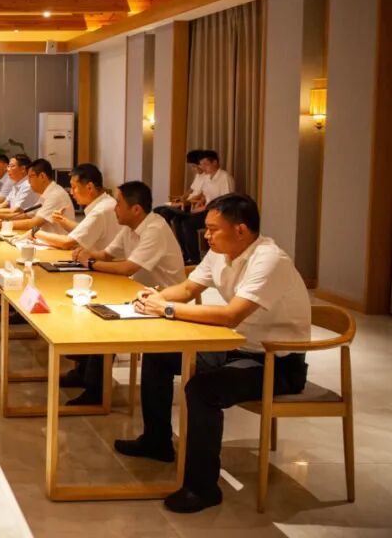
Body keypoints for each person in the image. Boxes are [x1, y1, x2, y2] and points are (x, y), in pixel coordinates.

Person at [118, 193, 311, 514]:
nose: (206, 235)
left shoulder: (269, 259)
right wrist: (153, 298)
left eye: (213, 229)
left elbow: (231, 315)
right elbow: (187, 289)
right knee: (158, 355)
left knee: (203, 390)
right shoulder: (220, 252)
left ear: (241, 230)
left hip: (276, 363)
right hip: (235, 347)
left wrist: (166, 309)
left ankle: (202, 488)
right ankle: (157, 441)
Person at [65, 181, 187, 405]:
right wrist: (83, 253)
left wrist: (90, 263)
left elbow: (128, 268)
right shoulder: (129, 227)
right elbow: (107, 254)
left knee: (104, 319)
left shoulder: (155, 229)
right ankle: (83, 373)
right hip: (138, 293)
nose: (114, 209)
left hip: (162, 301)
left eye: (119, 204)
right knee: (89, 307)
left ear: (136, 209)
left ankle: (95, 391)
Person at [36, 163, 120, 251]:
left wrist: (35, 232)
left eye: (74, 187)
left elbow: (66, 242)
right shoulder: (107, 202)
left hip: (103, 259)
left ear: (89, 187)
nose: (71, 192)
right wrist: (62, 220)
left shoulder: (100, 210)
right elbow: (85, 229)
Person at [176, 151, 235, 265]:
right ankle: (186, 254)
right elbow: (205, 194)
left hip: (219, 212)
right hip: (208, 210)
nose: (203, 167)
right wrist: (200, 202)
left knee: (188, 223)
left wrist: (204, 208)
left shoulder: (224, 177)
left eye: (206, 164)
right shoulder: (207, 177)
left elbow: (226, 200)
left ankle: (195, 259)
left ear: (215, 162)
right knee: (178, 219)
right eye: (201, 164)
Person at [0, 158, 74, 234]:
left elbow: (33, 223)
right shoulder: (46, 192)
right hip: (45, 240)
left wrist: (0, 224)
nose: (28, 181)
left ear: (42, 176)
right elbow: (26, 215)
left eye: (31, 177)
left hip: (55, 242)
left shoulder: (55, 195)